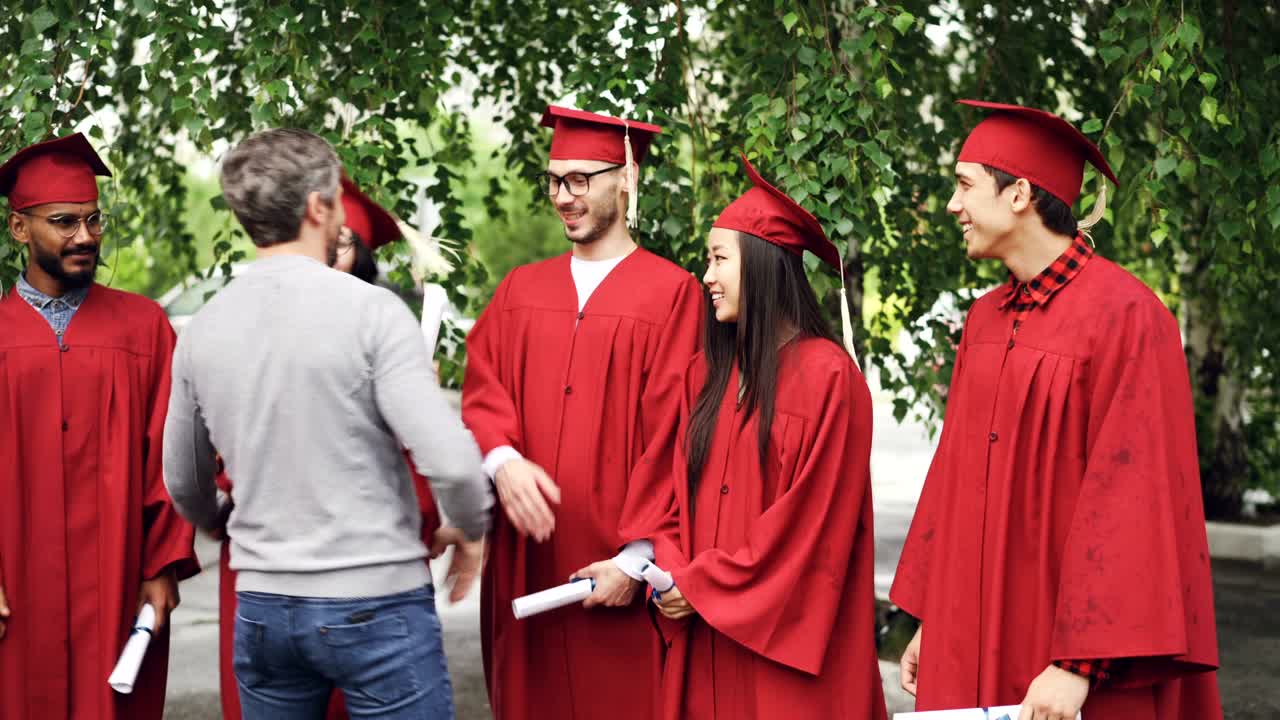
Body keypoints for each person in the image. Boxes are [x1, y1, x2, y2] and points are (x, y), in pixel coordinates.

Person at [891, 100, 1222, 720]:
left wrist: (1078, 664)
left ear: (1018, 194)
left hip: (1069, 656)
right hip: (974, 637)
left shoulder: (1127, 317)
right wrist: (934, 619)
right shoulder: (984, 320)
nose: (952, 206)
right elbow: (954, 483)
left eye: (965, 186)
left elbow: (1133, 501)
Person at [163, 128, 492, 720]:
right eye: (337, 198)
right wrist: (469, 529)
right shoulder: (372, 312)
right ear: (318, 207)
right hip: (374, 601)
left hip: (263, 603)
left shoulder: (204, 328)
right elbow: (450, 461)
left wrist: (222, 525)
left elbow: (184, 480)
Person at [462, 105, 702, 720]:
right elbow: (483, 389)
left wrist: (637, 560)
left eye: (579, 180)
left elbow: (677, 435)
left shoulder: (673, 294)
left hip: (617, 565)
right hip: (528, 559)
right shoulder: (520, 290)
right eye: (554, 180)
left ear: (626, 177)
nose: (563, 197)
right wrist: (503, 459)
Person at [642, 154, 886, 719]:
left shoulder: (830, 379)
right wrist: (673, 568)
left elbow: (811, 527)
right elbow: (669, 492)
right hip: (705, 644)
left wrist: (701, 586)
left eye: (719, 259)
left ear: (762, 264)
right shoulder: (705, 376)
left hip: (785, 661)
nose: (706, 276)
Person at [211, 172, 452, 720]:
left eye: (339, 245)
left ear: (362, 257)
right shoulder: (244, 334)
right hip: (271, 573)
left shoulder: (388, 343)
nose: (321, 258)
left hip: (358, 577)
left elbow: (422, 492)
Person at [0, 132, 199, 720]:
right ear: (19, 229)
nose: (85, 236)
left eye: (93, 220)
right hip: (16, 585)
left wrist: (162, 567)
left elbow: (172, 453)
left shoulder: (142, 329)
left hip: (117, 583)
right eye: (64, 222)